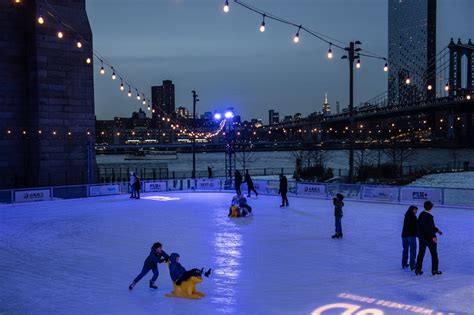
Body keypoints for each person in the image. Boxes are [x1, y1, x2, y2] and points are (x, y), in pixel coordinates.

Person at [414, 201, 443, 276]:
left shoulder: (421, 215)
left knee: (421, 253)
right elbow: (430, 228)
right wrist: (434, 236)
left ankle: (417, 269)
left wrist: (437, 230)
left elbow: (419, 227)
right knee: (434, 254)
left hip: (422, 238)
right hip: (429, 238)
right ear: (431, 207)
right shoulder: (429, 217)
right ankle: (434, 270)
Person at [401, 205, 418, 270]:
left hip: (404, 235)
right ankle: (412, 265)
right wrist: (418, 235)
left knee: (405, 249)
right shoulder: (413, 217)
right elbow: (415, 227)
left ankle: (404, 263)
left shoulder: (406, 216)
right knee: (413, 250)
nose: (416, 211)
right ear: (412, 210)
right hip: (411, 235)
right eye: (415, 210)